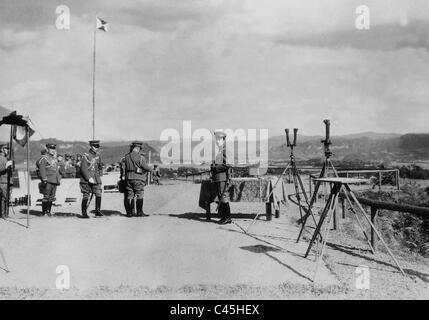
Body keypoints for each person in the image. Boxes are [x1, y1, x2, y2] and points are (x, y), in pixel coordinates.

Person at [121, 141, 153, 217]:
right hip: (138, 178)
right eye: (140, 149)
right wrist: (151, 168)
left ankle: (129, 213)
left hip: (128, 178)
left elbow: (123, 168)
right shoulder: (141, 157)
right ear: (138, 148)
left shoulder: (126, 157)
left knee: (129, 195)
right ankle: (139, 212)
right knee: (139, 194)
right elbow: (146, 167)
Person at [211, 130, 232, 224]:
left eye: (218, 139)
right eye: (216, 139)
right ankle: (224, 217)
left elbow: (228, 164)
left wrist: (215, 168)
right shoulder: (219, 150)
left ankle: (227, 218)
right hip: (218, 177)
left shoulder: (225, 150)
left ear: (223, 139)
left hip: (222, 177)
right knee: (220, 196)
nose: (217, 141)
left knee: (223, 197)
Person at [79, 140, 104, 218]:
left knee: (98, 193)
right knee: (86, 195)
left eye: (98, 146)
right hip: (87, 179)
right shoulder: (86, 156)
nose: (96, 148)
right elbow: (83, 168)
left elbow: (100, 166)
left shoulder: (98, 155)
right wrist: (88, 177)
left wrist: (100, 174)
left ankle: (98, 211)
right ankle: (84, 213)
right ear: (91, 146)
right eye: (95, 146)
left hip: (96, 178)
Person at [37, 143, 62, 216]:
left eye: (54, 149)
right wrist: (44, 179)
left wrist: (58, 179)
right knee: (46, 196)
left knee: (52, 197)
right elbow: (42, 169)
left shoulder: (54, 158)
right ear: (47, 149)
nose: (53, 150)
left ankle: (48, 211)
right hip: (47, 180)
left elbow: (56, 169)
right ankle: (44, 212)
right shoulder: (44, 158)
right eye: (51, 149)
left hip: (54, 180)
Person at [0, 144, 13, 218]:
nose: (7, 150)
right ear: (2, 149)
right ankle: (3, 214)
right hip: (3, 181)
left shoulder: (5, 158)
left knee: (6, 198)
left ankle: (5, 213)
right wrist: (6, 167)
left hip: (7, 181)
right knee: (4, 198)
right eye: (6, 148)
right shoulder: (1, 158)